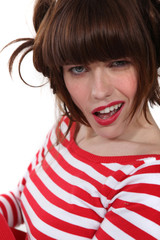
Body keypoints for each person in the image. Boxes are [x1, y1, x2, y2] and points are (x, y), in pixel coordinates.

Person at [0, 0, 160, 239]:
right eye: (78, 68)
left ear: (149, 59)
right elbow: (21, 198)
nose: (99, 91)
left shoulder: (150, 183)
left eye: (118, 63)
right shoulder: (69, 127)